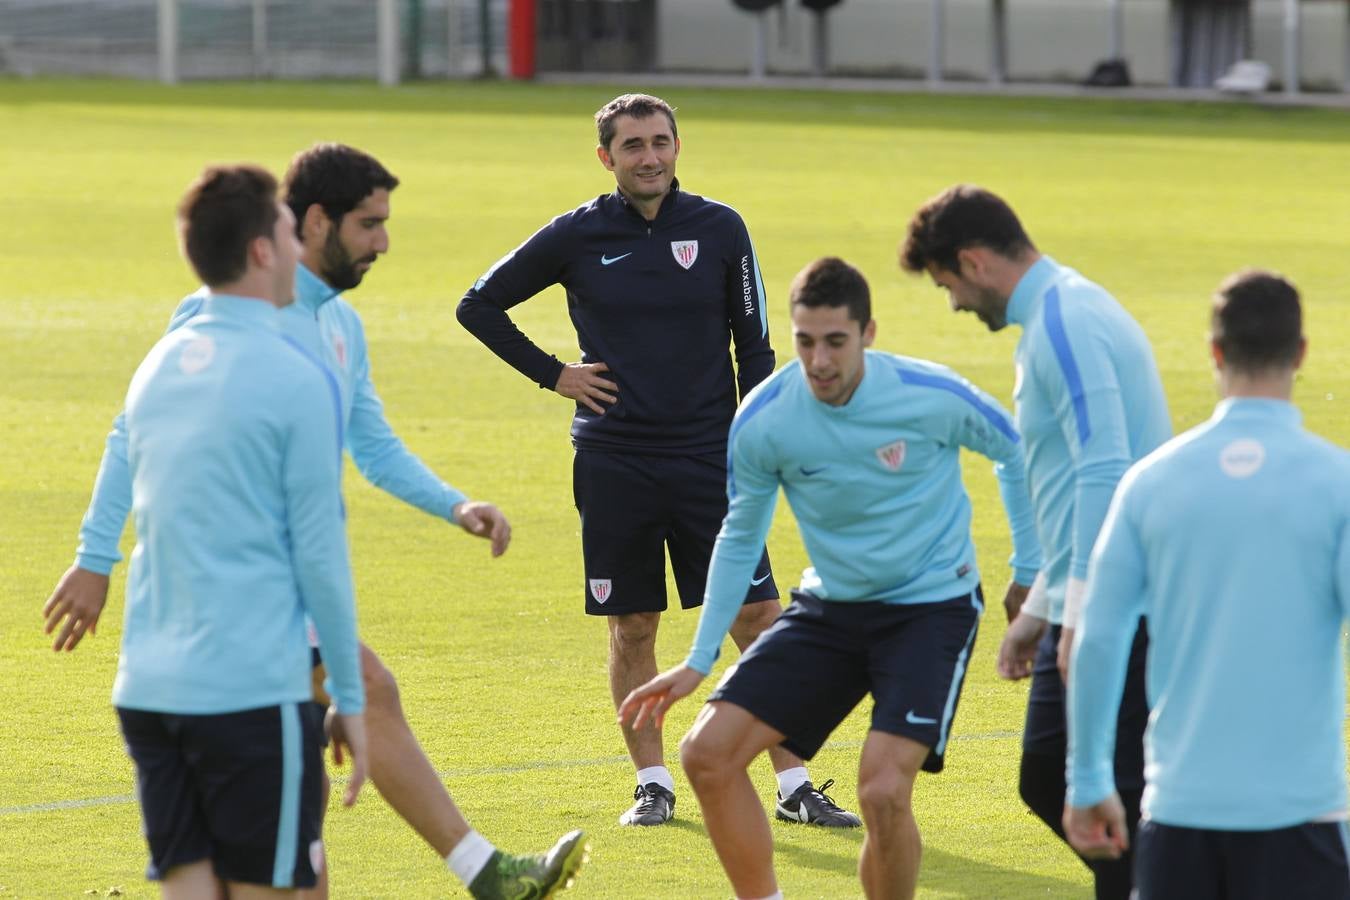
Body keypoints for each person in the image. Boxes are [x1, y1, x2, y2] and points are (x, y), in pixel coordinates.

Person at [41, 144, 586, 899]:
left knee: (290, 826)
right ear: (312, 224)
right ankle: (485, 872)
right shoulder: (223, 322)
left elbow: (371, 441)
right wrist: (94, 556)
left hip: (176, 657)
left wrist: (453, 503)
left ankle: (472, 871)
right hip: (246, 613)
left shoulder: (339, 329)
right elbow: (130, 435)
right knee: (363, 688)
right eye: (371, 225)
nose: (385, 244)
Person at [457, 94, 858, 828]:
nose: (649, 157)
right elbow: (478, 305)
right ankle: (652, 784)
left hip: (710, 459)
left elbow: (757, 345)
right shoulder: (576, 234)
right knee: (632, 624)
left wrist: (758, 433)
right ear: (606, 156)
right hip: (614, 461)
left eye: (661, 142)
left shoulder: (719, 228)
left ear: (678, 148)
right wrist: (555, 374)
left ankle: (795, 783)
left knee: (757, 617)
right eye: (633, 145)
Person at [620, 257, 1042, 900]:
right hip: (832, 607)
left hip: (930, 609)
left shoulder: (929, 395)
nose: (818, 360)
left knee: (880, 790)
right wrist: (699, 658)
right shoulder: (766, 417)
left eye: (835, 342)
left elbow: (1013, 449)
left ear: (868, 333)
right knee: (707, 755)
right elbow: (739, 536)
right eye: (804, 341)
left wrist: (1030, 571)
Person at [63, 162, 370, 895]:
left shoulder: (159, 364)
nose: (302, 249)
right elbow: (320, 557)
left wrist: (91, 556)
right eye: (292, 234)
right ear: (263, 251)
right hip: (251, 695)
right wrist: (350, 699)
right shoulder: (296, 376)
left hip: (150, 691)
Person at [899, 184, 1170, 900]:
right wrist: (1040, 611)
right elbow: (1070, 476)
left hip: (1123, 598)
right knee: (1061, 776)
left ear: (973, 261)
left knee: (1088, 779)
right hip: (1101, 589)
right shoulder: (1059, 311)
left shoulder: (1064, 321)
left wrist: (1078, 614)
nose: (954, 303)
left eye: (947, 284)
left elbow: (1105, 465)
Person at [1064, 270, 1350, 900]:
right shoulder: (1336, 485)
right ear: (1300, 354)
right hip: (1304, 812)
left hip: (1179, 811)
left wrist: (1087, 781)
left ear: (1214, 352)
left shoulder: (1151, 483)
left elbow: (1099, 638)